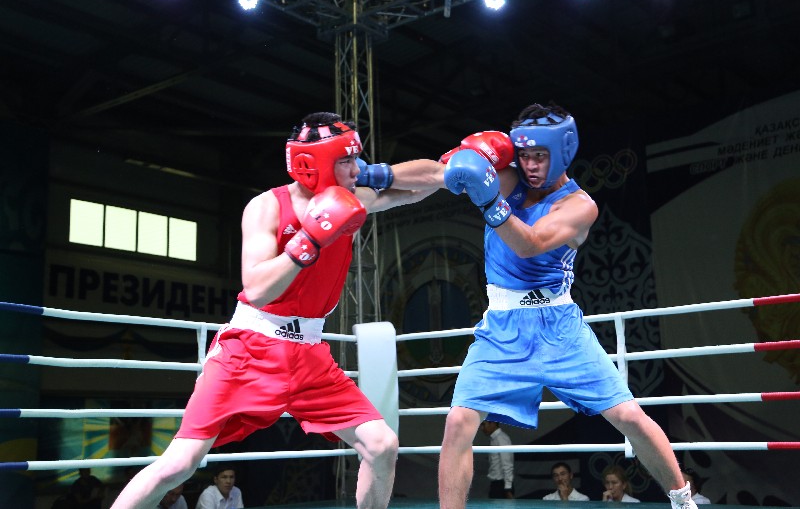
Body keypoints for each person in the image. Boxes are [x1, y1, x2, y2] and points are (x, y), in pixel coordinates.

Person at [109, 112, 443, 509]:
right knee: (179, 465)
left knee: (382, 444)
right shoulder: (266, 207)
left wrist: (443, 174)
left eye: (357, 159)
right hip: (250, 348)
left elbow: (417, 189)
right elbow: (256, 289)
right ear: (313, 164)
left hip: (311, 355)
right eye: (346, 160)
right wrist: (309, 239)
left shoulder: (353, 198)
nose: (356, 169)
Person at [434, 102, 698, 509]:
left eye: (539, 155)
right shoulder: (509, 178)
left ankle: (683, 501)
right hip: (502, 326)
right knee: (458, 422)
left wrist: (489, 203)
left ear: (562, 152)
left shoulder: (579, 205)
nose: (530, 164)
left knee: (629, 417)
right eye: (524, 154)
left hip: (559, 326)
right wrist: (377, 177)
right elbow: (435, 176)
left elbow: (530, 244)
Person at [478, 420, 514, 499]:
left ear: (493, 423)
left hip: (501, 485)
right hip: (497, 484)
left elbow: (507, 464)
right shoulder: (494, 439)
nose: (482, 428)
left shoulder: (501, 438)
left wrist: (508, 488)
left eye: (483, 424)